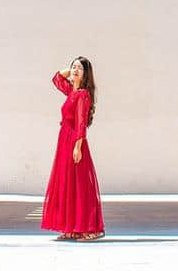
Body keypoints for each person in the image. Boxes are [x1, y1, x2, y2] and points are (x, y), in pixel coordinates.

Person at [41, 56, 106, 241]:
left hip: (74, 141)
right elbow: (56, 78)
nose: (75, 70)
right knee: (66, 183)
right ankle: (71, 227)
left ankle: (89, 228)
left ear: (86, 74)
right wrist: (72, 71)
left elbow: (81, 124)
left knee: (79, 185)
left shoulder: (83, 95)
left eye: (80, 68)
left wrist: (78, 147)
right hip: (64, 140)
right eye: (74, 67)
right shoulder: (71, 92)